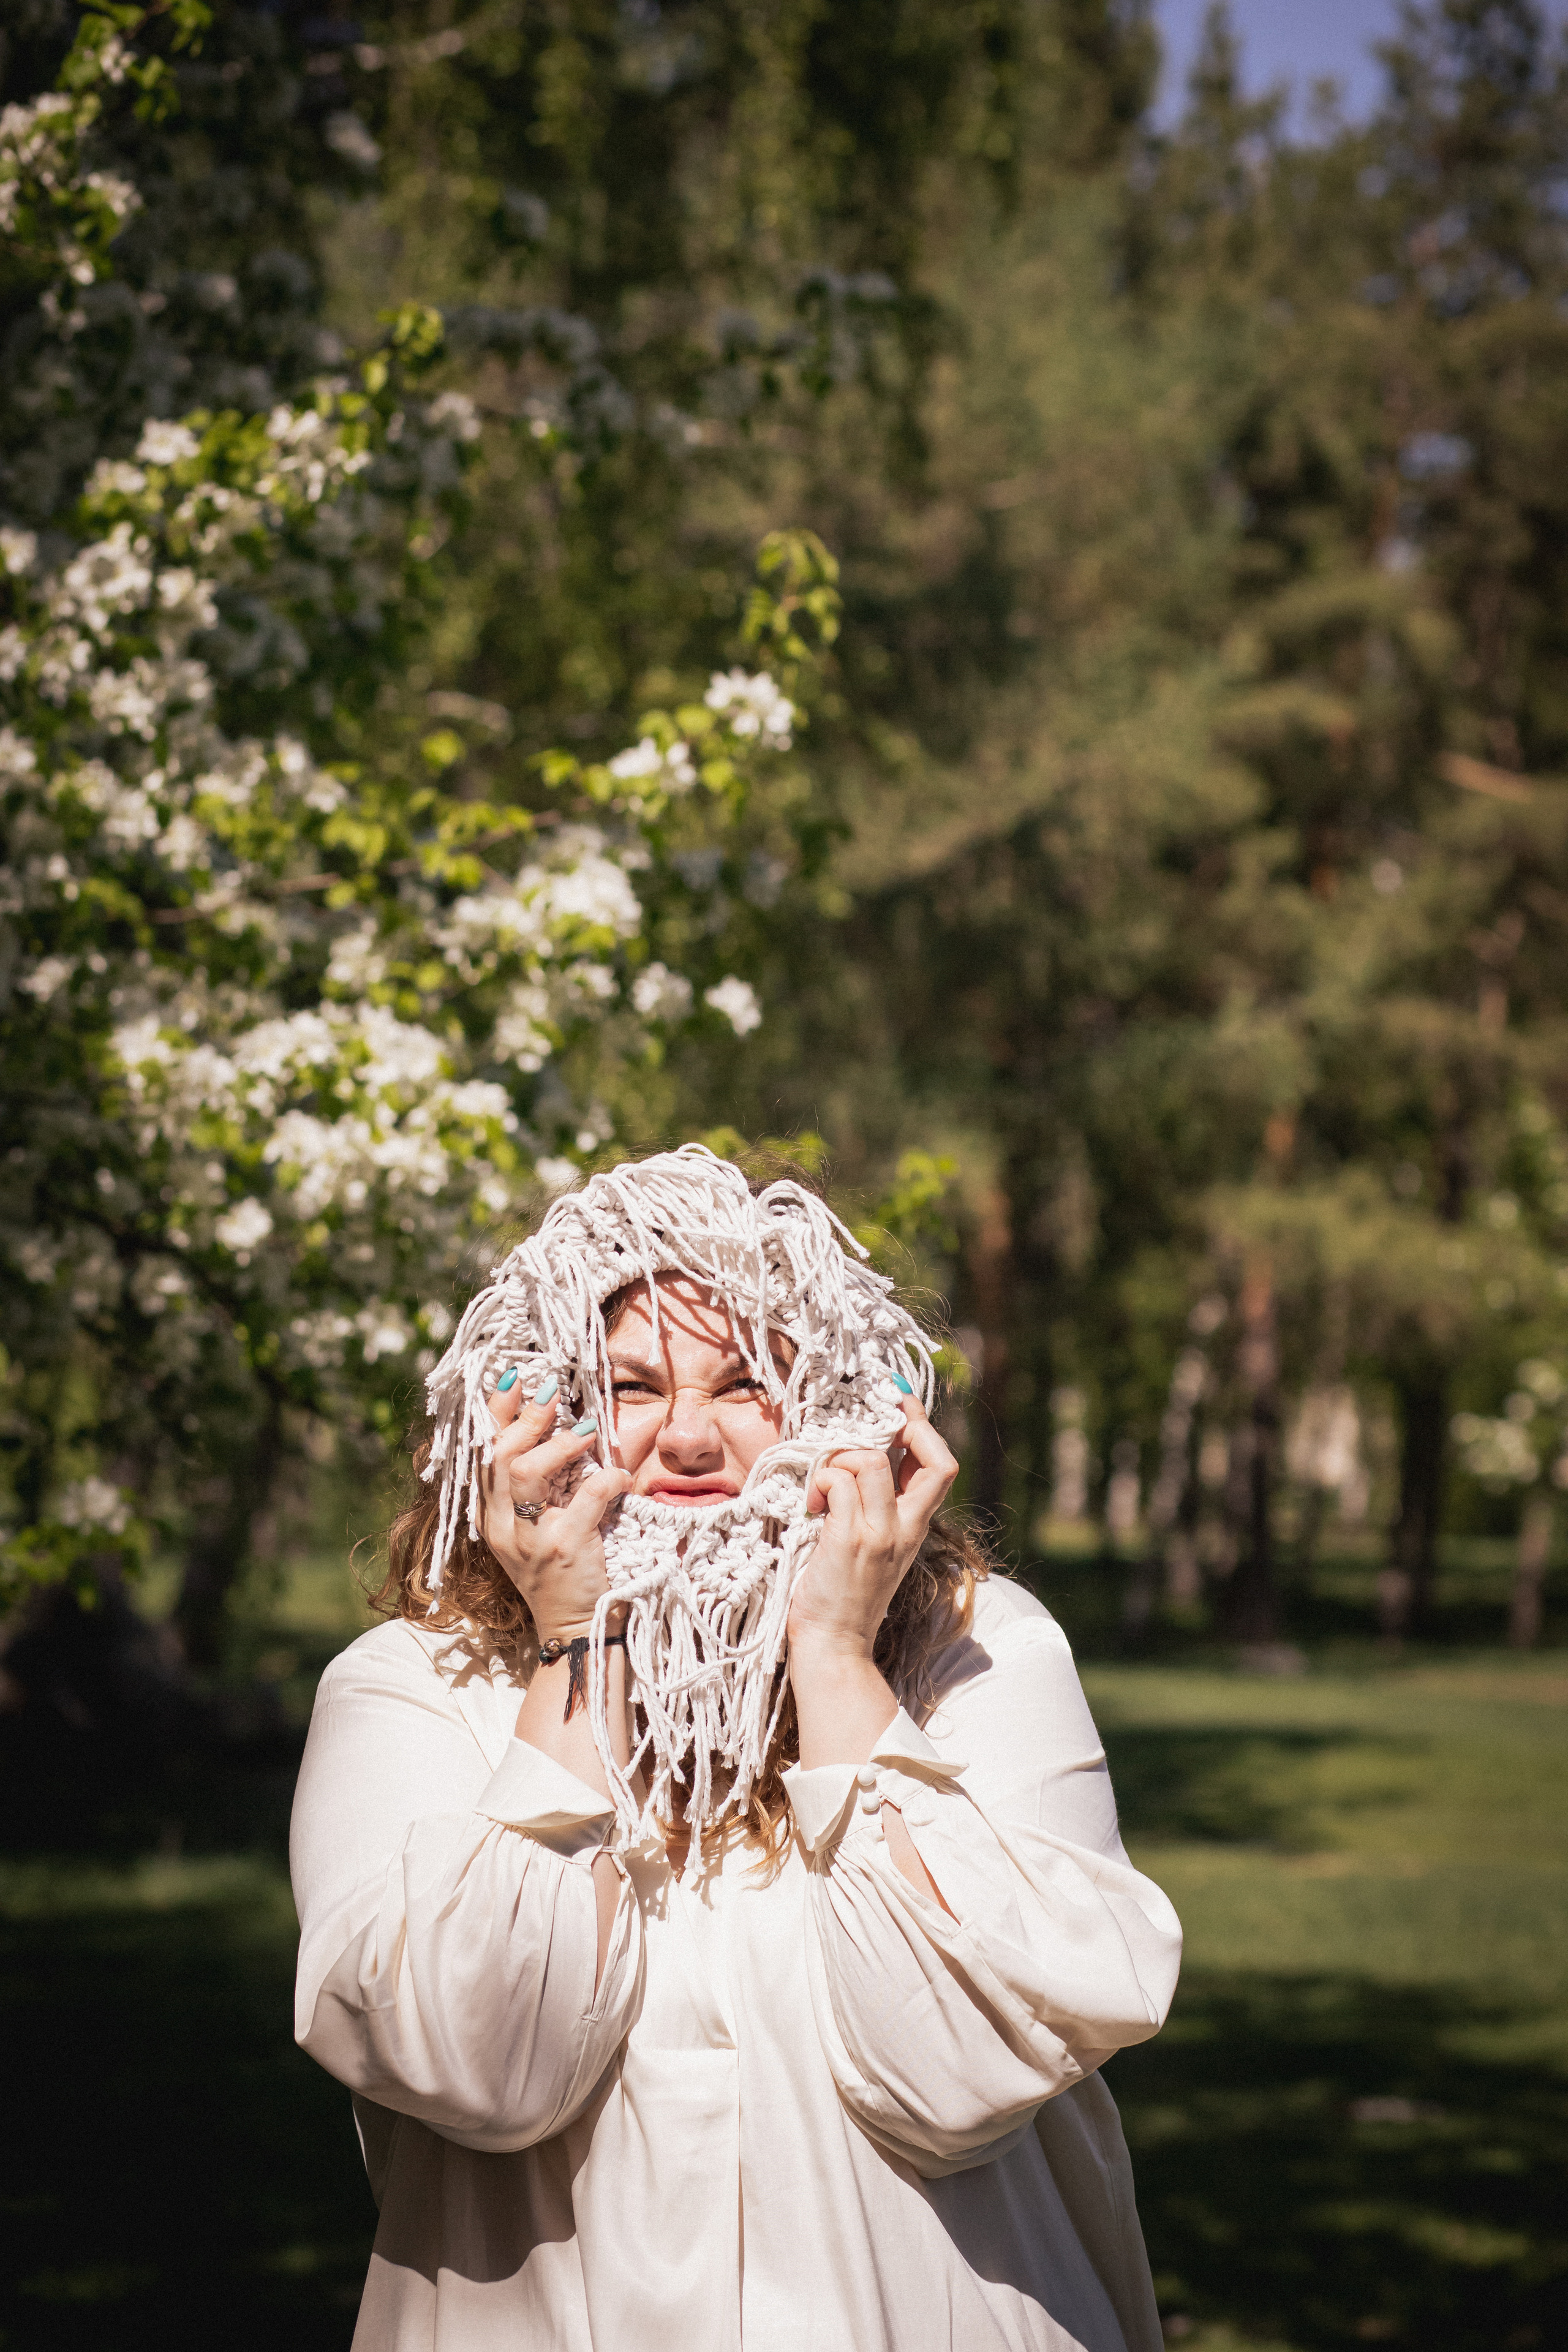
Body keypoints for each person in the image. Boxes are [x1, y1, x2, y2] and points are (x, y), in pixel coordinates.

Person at [290, 1147, 1181, 2351]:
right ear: (538, 1411)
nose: (690, 1441)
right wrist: (575, 1641)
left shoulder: (981, 1651)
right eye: (632, 1386)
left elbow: (964, 2072)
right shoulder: (414, 1687)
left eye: (747, 1384)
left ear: (829, 1405)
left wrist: (834, 1653)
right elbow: (482, 2070)